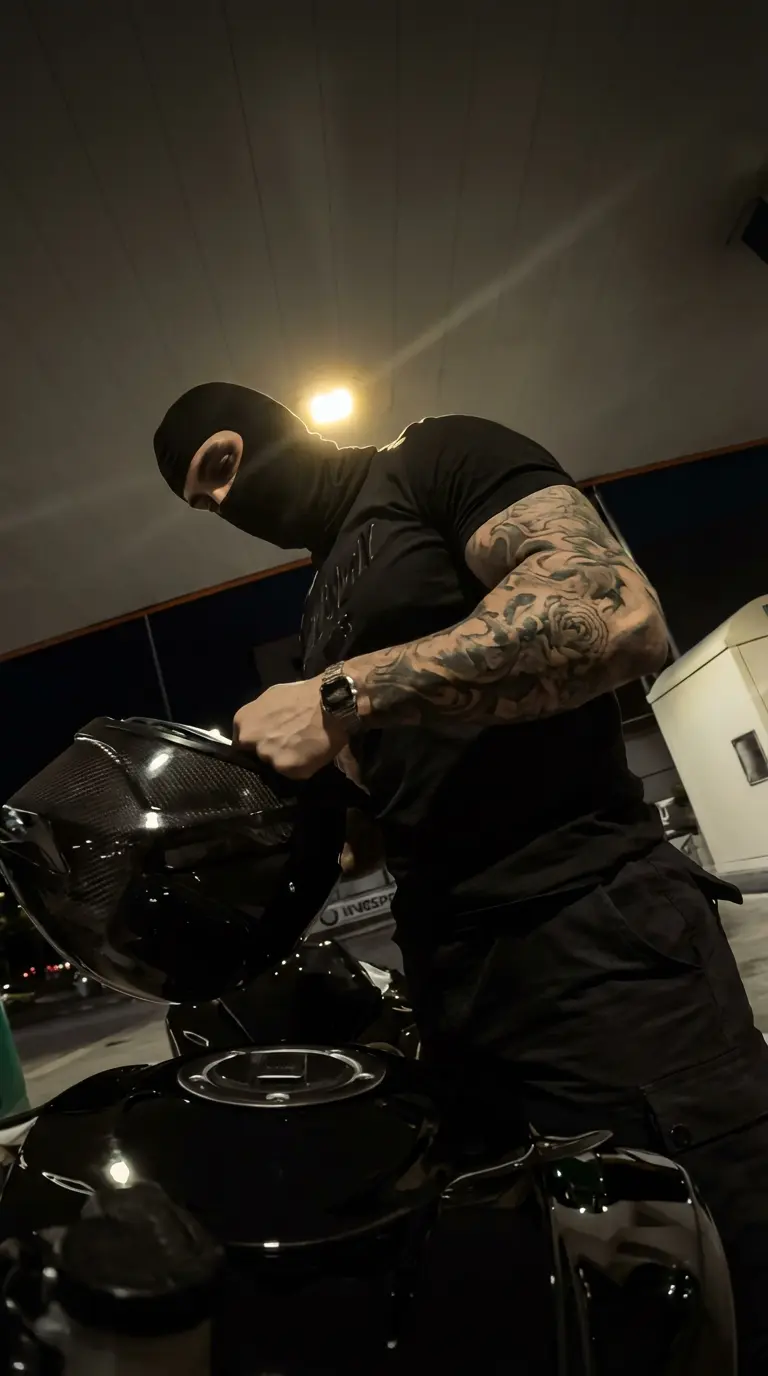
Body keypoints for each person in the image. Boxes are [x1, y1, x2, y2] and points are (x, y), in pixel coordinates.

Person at [155, 382, 768, 1371]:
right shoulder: (318, 610)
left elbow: (616, 614)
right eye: (203, 502)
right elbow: (394, 796)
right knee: (565, 1300)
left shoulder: (434, 459)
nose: (225, 502)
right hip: (454, 980)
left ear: (272, 422)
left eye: (221, 465)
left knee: (724, 1253)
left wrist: (342, 693)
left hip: (594, 934)